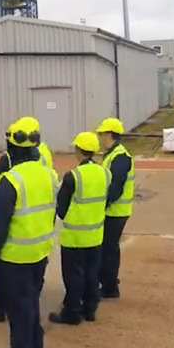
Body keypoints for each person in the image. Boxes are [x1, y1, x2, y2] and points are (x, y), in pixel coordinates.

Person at [0, 118, 56, 348]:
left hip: (16, 256)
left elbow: (0, 227)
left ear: (12, 149)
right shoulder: (49, 174)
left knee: (18, 307)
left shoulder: (10, 181)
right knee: (31, 301)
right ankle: (35, 343)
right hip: (40, 250)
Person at [50, 131, 110, 325]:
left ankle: (72, 313)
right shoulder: (105, 173)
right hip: (96, 235)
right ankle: (90, 309)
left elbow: (61, 208)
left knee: (73, 277)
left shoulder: (73, 176)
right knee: (92, 274)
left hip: (74, 237)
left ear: (79, 150)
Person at [97, 117, 134, 299]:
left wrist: (100, 205)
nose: (99, 137)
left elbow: (116, 187)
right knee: (107, 248)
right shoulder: (112, 155)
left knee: (109, 249)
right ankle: (108, 282)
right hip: (113, 211)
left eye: (102, 134)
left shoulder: (119, 157)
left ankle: (110, 287)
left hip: (115, 212)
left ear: (109, 134)